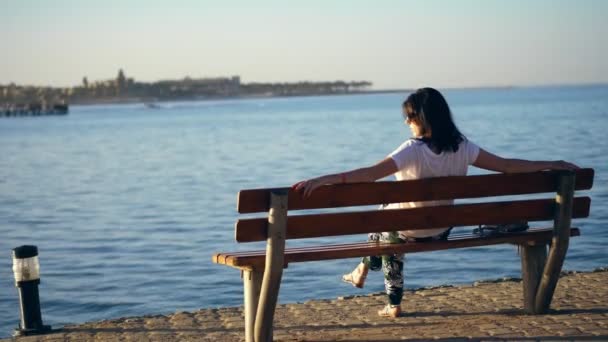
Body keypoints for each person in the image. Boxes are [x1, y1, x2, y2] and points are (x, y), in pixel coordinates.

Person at [293, 87, 579, 318]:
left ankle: (384, 293)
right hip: (442, 229)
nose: (406, 122)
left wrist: (324, 179)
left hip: (406, 232)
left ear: (422, 118)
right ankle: (365, 272)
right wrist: (552, 163)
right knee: (387, 224)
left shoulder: (410, 150)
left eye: (410, 116)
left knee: (385, 227)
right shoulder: (463, 147)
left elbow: (368, 175)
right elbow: (507, 166)